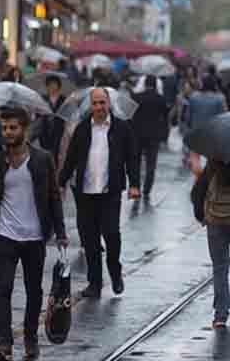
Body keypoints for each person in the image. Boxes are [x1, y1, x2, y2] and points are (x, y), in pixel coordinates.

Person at [0, 107, 69, 361]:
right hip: (4, 235)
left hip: (33, 236)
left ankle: (30, 337)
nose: (7, 133)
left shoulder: (42, 159)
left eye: (13, 128)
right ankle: (5, 343)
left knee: (34, 291)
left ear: (25, 130)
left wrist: (61, 231)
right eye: (5, 128)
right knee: (3, 289)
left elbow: (53, 196)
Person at [58, 88, 140, 298]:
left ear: (109, 103)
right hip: (85, 192)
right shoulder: (82, 129)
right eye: (95, 103)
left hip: (110, 190)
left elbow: (132, 157)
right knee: (89, 239)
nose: (99, 107)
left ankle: (115, 270)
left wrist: (134, 184)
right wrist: (60, 182)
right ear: (90, 106)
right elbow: (71, 159)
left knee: (111, 234)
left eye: (102, 103)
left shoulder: (121, 128)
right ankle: (94, 283)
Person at [192, 158, 230, 328]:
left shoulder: (212, 165)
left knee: (219, 267)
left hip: (215, 222)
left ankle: (220, 315)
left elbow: (196, 193)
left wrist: (202, 216)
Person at [131, 75, 171, 204]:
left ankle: (136, 187)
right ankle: (147, 189)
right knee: (151, 164)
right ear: (155, 85)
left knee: (136, 163)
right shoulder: (160, 99)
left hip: (137, 135)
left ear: (145, 84)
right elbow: (165, 118)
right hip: (154, 136)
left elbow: (130, 116)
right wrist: (164, 135)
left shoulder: (136, 97)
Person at [34, 74, 68, 164]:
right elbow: (38, 115)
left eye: (54, 84)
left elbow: (67, 115)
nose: (52, 87)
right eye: (49, 85)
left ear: (58, 86)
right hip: (45, 130)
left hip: (59, 131)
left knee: (57, 155)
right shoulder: (42, 99)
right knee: (45, 155)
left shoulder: (64, 100)